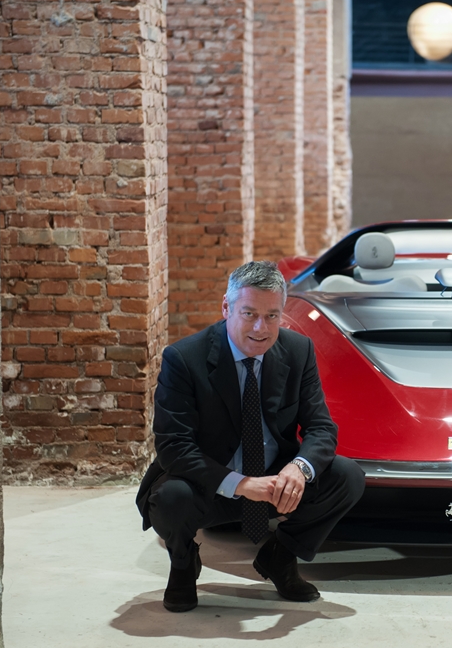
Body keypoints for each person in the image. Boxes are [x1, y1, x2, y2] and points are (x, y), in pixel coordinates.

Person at [135, 261, 365, 612]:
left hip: (274, 481)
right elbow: (174, 447)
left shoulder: (298, 350)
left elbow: (321, 427)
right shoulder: (184, 358)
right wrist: (241, 484)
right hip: (209, 484)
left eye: (272, 316)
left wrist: (298, 469)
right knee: (170, 498)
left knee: (348, 476)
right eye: (250, 314)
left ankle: (280, 557)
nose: (261, 328)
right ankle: (183, 563)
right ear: (226, 308)